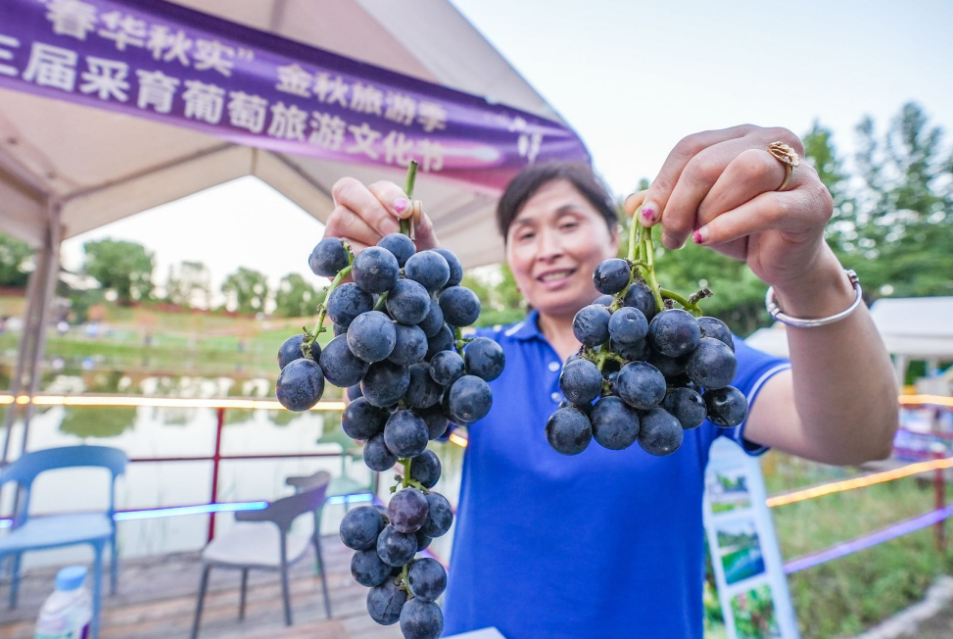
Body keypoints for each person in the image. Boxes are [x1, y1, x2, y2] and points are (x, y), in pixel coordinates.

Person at [324, 124, 899, 639]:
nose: (547, 249)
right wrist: (412, 309)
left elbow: (856, 437)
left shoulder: (678, 357)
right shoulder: (481, 357)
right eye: (524, 234)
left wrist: (806, 274)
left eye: (568, 224)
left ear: (616, 237)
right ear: (509, 256)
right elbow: (382, 425)